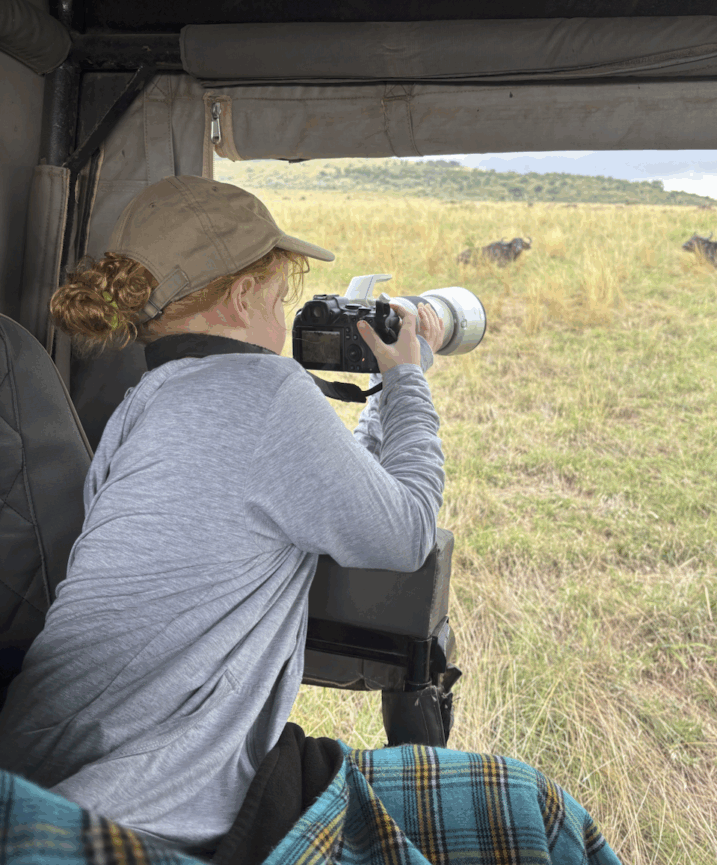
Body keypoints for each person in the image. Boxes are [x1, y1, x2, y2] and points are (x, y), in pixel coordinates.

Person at [0, 175, 447, 857]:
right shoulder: (265, 391)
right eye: (280, 296)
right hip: (146, 803)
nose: (283, 316)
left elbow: (334, 490)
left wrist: (384, 394)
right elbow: (407, 531)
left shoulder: (144, 403)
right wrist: (408, 379)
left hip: (34, 768)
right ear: (242, 297)